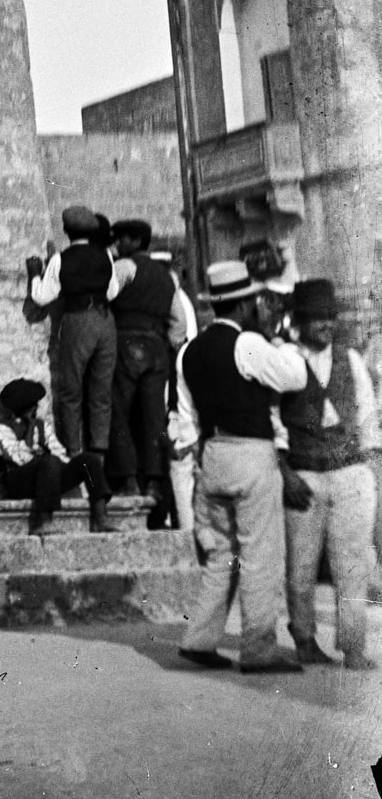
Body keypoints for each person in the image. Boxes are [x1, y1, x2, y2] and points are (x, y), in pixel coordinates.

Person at [172, 261, 309, 673]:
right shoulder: (248, 344)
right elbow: (294, 377)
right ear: (246, 305)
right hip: (250, 452)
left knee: (223, 555)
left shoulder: (188, 351)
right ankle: (258, 648)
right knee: (259, 555)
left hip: (211, 454)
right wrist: (283, 341)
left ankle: (199, 639)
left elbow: (185, 416)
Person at [276, 278, 377, 670]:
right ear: (299, 321)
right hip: (305, 475)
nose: (325, 325)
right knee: (300, 565)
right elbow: (272, 421)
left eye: (330, 318)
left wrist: (368, 466)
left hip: (350, 473)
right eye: (317, 318)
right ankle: (304, 640)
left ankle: (353, 647)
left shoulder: (349, 359)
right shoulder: (282, 359)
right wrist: (286, 473)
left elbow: (367, 414)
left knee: (352, 565)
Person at [28, 207, 123, 529]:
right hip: (106, 322)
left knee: (70, 392)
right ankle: (98, 458)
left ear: (67, 232)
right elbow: (113, 291)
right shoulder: (105, 256)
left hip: (78, 320)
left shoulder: (61, 259)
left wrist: (34, 274)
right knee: (101, 396)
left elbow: (42, 297)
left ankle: (74, 454)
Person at [108, 219, 191, 501]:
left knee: (117, 410)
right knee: (153, 416)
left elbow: (106, 299)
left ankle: (128, 478)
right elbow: (178, 323)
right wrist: (166, 343)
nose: (117, 244)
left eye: (121, 239)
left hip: (125, 342)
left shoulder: (124, 268)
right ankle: (154, 480)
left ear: (134, 241)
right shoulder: (167, 277)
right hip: (157, 348)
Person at [0, 379, 103, 534]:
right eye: (34, 405)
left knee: (89, 461)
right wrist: (34, 440)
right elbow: (19, 458)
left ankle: (100, 519)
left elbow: (59, 453)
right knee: (48, 461)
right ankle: (43, 523)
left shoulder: (42, 426)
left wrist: (59, 463)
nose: (36, 408)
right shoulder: (1, 429)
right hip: (21, 482)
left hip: (48, 477)